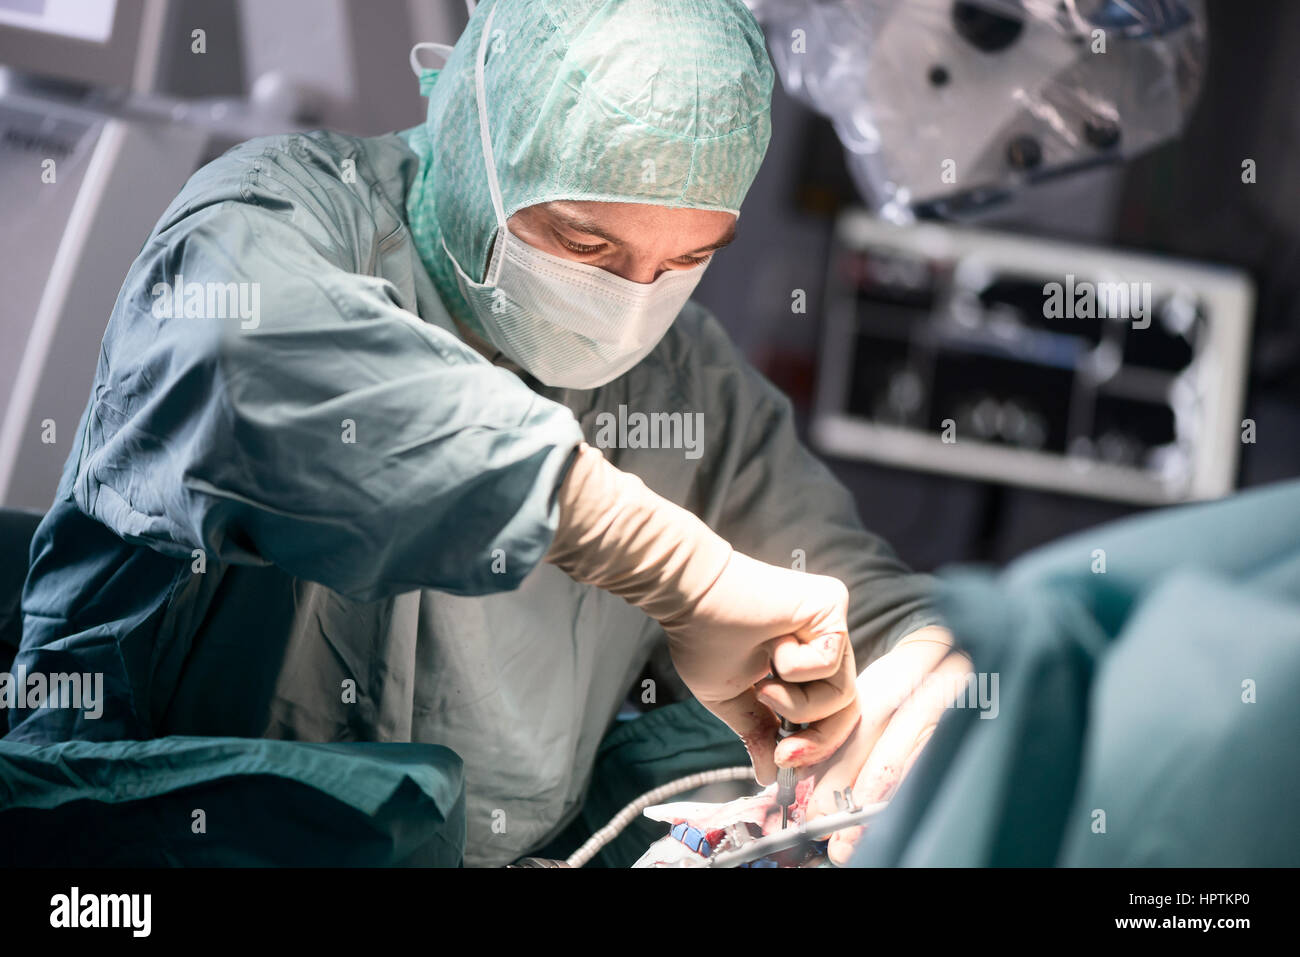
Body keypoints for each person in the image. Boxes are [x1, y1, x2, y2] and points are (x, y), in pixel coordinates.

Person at [7, 0, 966, 866]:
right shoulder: (283, 210)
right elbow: (250, 365)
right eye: (587, 245)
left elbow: (850, 596)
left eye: (686, 261)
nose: (630, 304)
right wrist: (673, 567)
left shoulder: (687, 380)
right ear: (480, 139)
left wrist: (925, 668)